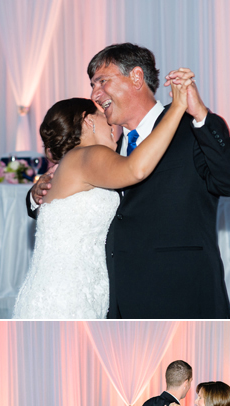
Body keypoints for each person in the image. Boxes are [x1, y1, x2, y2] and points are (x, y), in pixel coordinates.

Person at [25, 43, 230, 318]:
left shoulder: (188, 127)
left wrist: (200, 115)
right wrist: (36, 193)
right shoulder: (104, 145)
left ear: (136, 77)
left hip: (181, 294)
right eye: (92, 85)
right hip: (115, 301)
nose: (94, 94)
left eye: (102, 81)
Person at [13, 70, 192, 318]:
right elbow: (136, 169)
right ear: (88, 121)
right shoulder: (87, 155)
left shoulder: (76, 161)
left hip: (88, 289)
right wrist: (177, 107)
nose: (113, 123)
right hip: (66, 293)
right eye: (104, 117)